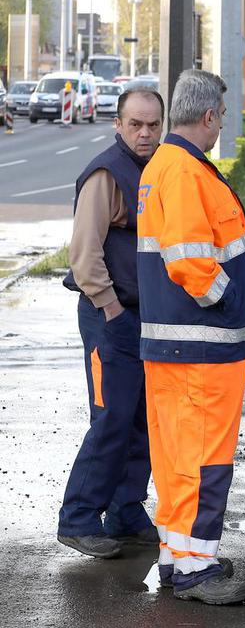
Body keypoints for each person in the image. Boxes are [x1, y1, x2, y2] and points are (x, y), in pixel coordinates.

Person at [136, 69, 245, 604]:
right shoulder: (185, 171)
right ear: (209, 116)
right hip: (203, 344)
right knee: (202, 457)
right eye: (222, 118)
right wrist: (231, 302)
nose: (221, 129)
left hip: (176, 344)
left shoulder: (164, 165)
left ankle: (178, 556)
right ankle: (196, 569)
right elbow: (188, 258)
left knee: (174, 455)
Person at [57, 89, 167, 558]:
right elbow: (84, 255)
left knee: (141, 418)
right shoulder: (107, 173)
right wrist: (112, 309)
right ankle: (79, 518)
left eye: (153, 125)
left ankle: (125, 511)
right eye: (136, 125)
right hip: (110, 316)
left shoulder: (154, 168)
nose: (145, 133)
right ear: (118, 125)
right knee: (111, 419)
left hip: (141, 316)